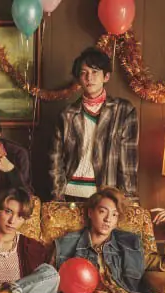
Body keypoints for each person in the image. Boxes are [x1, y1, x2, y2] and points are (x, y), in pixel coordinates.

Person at [50, 47, 139, 202]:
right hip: (71, 194)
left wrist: (128, 201)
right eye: (84, 72)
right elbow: (55, 160)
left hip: (106, 195)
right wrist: (58, 196)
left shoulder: (124, 111)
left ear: (106, 76)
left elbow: (128, 163)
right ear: (79, 78)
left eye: (95, 72)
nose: (89, 78)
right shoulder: (67, 114)